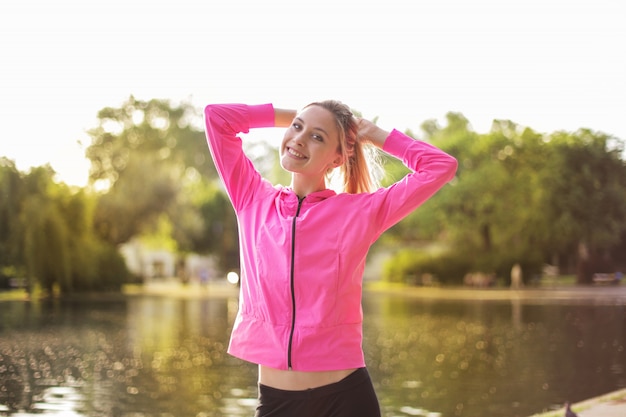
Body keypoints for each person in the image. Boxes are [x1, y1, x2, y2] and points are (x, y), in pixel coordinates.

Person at [203, 101, 457, 417]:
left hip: (345, 399)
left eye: (317, 137)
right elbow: (217, 117)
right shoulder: (252, 199)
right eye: (297, 128)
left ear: (337, 158)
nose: (299, 138)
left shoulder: (360, 213)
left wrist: (373, 134)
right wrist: (297, 114)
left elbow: (440, 166)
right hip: (276, 403)